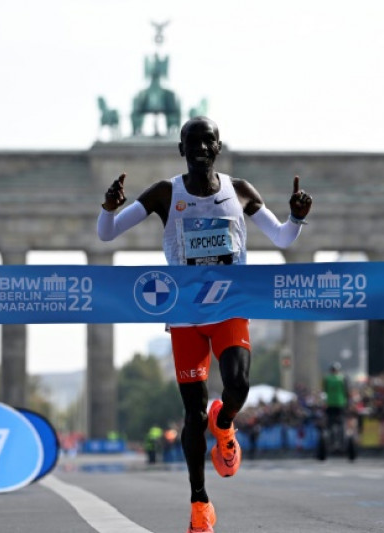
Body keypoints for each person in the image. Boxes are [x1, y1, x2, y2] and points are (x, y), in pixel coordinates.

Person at [97, 116, 312, 533]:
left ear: (218, 147)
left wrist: (297, 218)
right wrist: (109, 210)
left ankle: (226, 422)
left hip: (230, 307)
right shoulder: (164, 192)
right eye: (191, 142)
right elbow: (107, 235)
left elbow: (283, 239)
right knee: (192, 415)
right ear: (181, 150)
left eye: (207, 141)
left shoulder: (241, 191)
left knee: (238, 386)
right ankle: (200, 503)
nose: (199, 148)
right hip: (184, 315)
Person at [321, 362, 349, 453]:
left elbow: (324, 391)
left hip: (330, 404)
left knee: (330, 424)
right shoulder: (342, 378)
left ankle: (331, 442)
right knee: (341, 423)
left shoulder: (327, 379)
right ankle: (341, 442)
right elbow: (346, 391)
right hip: (340, 404)